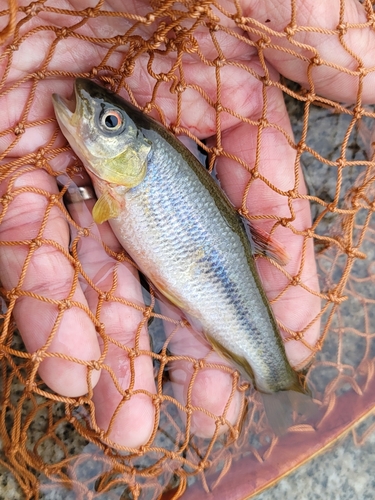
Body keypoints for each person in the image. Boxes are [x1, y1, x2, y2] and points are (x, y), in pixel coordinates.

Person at [0, 0, 373, 448]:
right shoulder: (124, 174)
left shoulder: (130, 176)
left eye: (111, 122)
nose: (97, 117)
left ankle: (276, 379)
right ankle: (276, 378)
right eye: (110, 121)